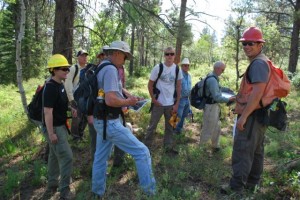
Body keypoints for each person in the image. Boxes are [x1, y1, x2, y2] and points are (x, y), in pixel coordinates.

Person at [92, 41, 156, 198]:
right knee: (142, 152)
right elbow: (110, 100)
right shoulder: (111, 70)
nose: (125, 60)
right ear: (117, 53)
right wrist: (129, 102)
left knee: (100, 157)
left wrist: (131, 97)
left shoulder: (102, 66)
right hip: (110, 122)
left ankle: (96, 192)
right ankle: (149, 193)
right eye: (125, 57)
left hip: (100, 121)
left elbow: (116, 90)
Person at [221, 27, 270, 194]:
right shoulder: (262, 61)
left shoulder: (258, 64)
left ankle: (236, 189)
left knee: (243, 151)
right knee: (256, 151)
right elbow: (254, 91)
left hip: (251, 116)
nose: (247, 46)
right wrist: (239, 98)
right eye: (244, 44)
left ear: (260, 45)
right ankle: (252, 184)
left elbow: (258, 93)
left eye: (251, 43)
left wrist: (243, 117)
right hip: (260, 115)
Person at [42, 54, 75, 200]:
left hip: (60, 125)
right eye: (64, 69)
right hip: (54, 128)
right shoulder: (50, 87)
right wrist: (51, 133)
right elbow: (47, 112)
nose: (67, 72)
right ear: (54, 70)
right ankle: (64, 191)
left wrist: (70, 108)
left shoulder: (60, 84)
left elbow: (58, 104)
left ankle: (52, 185)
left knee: (54, 157)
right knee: (67, 157)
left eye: (68, 69)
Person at [144, 47, 183, 152]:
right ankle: (146, 148)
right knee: (152, 126)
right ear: (164, 55)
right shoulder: (158, 67)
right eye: (167, 54)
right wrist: (154, 100)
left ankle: (168, 147)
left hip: (171, 104)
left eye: (172, 54)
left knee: (171, 126)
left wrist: (177, 104)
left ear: (175, 55)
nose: (169, 56)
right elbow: (150, 85)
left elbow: (179, 87)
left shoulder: (177, 69)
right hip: (158, 104)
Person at [199, 61, 235, 152]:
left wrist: (226, 90)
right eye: (223, 70)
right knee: (208, 127)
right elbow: (217, 97)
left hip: (214, 106)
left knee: (216, 126)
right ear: (217, 68)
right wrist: (229, 99)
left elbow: (217, 89)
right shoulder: (212, 80)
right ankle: (202, 147)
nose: (223, 72)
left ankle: (215, 146)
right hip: (210, 107)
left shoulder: (213, 77)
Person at [175, 58, 192, 134]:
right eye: (185, 65)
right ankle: (172, 130)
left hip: (187, 98)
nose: (186, 67)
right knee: (177, 115)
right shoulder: (178, 74)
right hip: (180, 98)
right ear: (182, 66)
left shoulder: (189, 75)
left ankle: (179, 129)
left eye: (188, 65)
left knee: (184, 115)